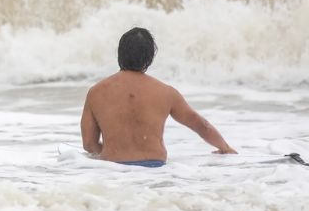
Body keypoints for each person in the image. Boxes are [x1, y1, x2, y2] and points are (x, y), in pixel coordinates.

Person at [80, 27, 236, 167]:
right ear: (150, 57)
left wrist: (114, 152)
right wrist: (224, 147)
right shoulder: (166, 93)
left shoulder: (96, 92)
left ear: (120, 53)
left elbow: (89, 144)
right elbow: (201, 125)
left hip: (113, 171)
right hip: (155, 171)